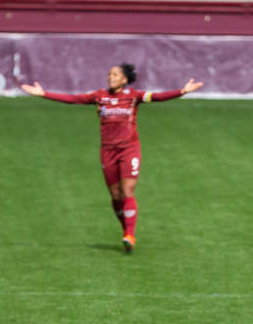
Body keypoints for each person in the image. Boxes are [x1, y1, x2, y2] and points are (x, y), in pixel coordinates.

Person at [20, 65, 203, 253]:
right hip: (107, 151)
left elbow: (157, 97)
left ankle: (130, 235)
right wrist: (44, 94)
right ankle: (125, 230)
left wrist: (181, 92)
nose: (110, 77)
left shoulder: (133, 96)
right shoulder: (99, 96)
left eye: (115, 75)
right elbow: (73, 99)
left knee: (127, 190)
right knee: (115, 195)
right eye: (109, 74)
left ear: (125, 79)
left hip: (129, 150)